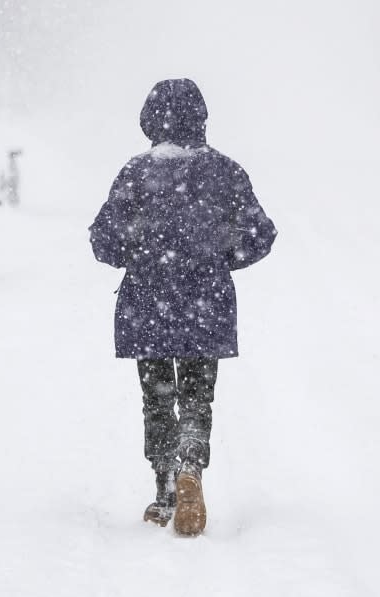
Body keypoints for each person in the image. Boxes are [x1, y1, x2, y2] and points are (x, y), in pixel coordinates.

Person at [89, 78, 277, 536]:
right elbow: (261, 234)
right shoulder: (226, 172)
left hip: (148, 304)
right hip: (205, 302)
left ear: (149, 120)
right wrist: (219, 260)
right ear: (202, 118)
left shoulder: (137, 172)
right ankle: (191, 463)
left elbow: (103, 239)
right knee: (197, 394)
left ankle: (166, 489)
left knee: (157, 399)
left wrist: (137, 258)